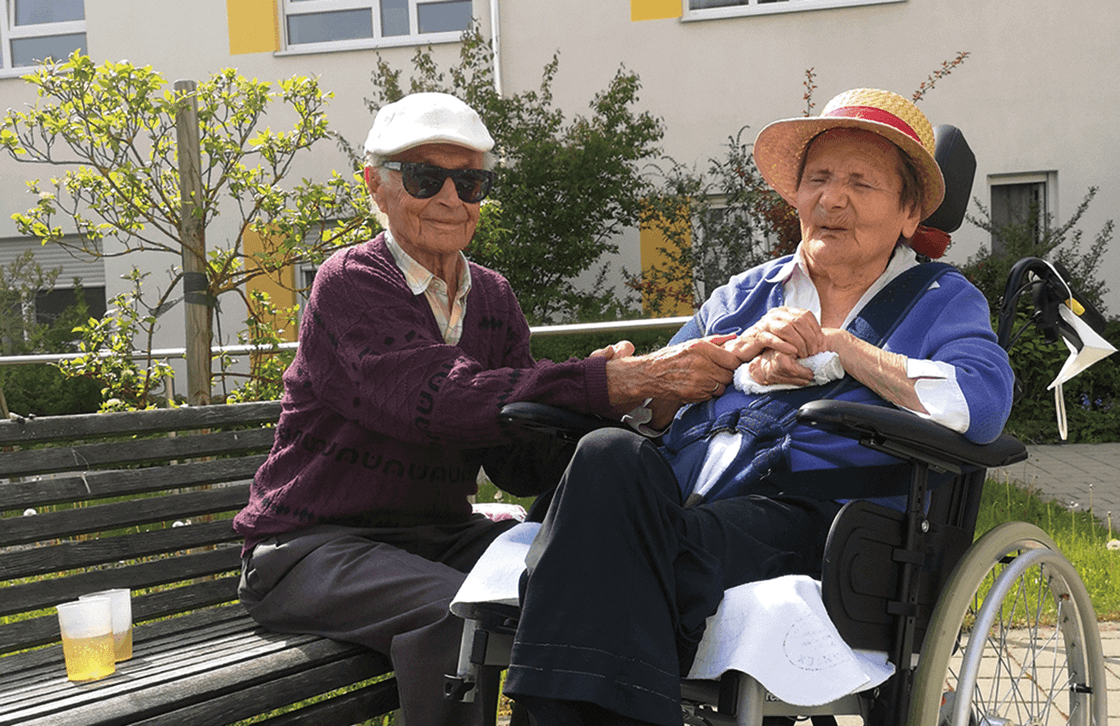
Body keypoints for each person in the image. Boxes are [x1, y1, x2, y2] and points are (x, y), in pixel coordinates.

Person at [502, 89, 1016, 726]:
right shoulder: (744, 294)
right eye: (819, 179)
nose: (832, 199)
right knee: (605, 452)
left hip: (813, 519)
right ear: (796, 196)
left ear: (911, 213)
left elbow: (980, 403)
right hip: (680, 502)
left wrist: (839, 349)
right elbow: (655, 412)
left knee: (600, 552)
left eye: (861, 182)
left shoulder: (943, 300)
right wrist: (721, 367)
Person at [232, 92, 744, 726]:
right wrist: (614, 378)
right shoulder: (352, 282)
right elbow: (441, 400)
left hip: (434, 538)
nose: (452, 198)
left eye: (471, 181)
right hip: (309, 547)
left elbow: (520, 463)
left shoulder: (492, 297)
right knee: (456, 612)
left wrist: (640, 403)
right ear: (377, 185)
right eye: (427, 177)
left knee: (576, 575)